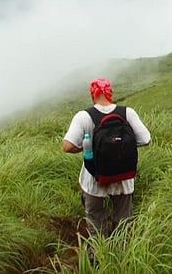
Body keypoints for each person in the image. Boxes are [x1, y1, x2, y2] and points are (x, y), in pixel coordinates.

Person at [62, 78, 151, 237]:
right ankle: (122, 254)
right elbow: (146, 139)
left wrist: (89, 147)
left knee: (96, 219)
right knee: (123, 221)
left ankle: (96, 255)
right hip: (123, 178)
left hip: (94, 178)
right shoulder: (127, 113)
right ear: (110, 93)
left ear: (92, 94)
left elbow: (67, 146)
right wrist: (122, 145)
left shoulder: (84, 116)